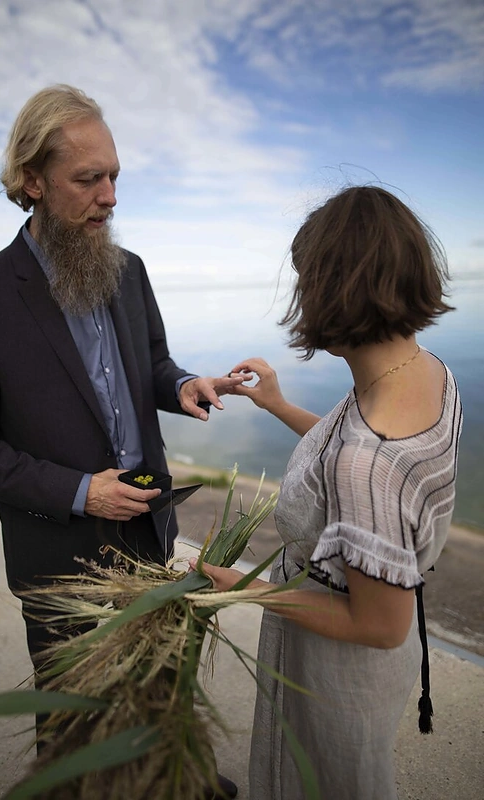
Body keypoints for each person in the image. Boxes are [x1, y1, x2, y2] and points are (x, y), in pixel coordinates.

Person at [0, 84, 241, 799]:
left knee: (158, 699)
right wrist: (81, 492)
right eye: (88, 180)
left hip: (151, 537)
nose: (109, 197)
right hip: (59, 562)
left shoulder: (129, 269)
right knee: (75, 737)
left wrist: (179, 386)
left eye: (113, 177)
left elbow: (153, 362)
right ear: (32, 181)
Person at [192, 186, 463, 799]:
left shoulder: (369, 462)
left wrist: (244, 589)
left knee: (328, 784)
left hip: (337, 665)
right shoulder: (429, 373)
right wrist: (279, 404)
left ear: (334, 287)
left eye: (304, 280)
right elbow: (355, 459)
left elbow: (376, 625)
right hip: (377, 650)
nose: (301, 296)